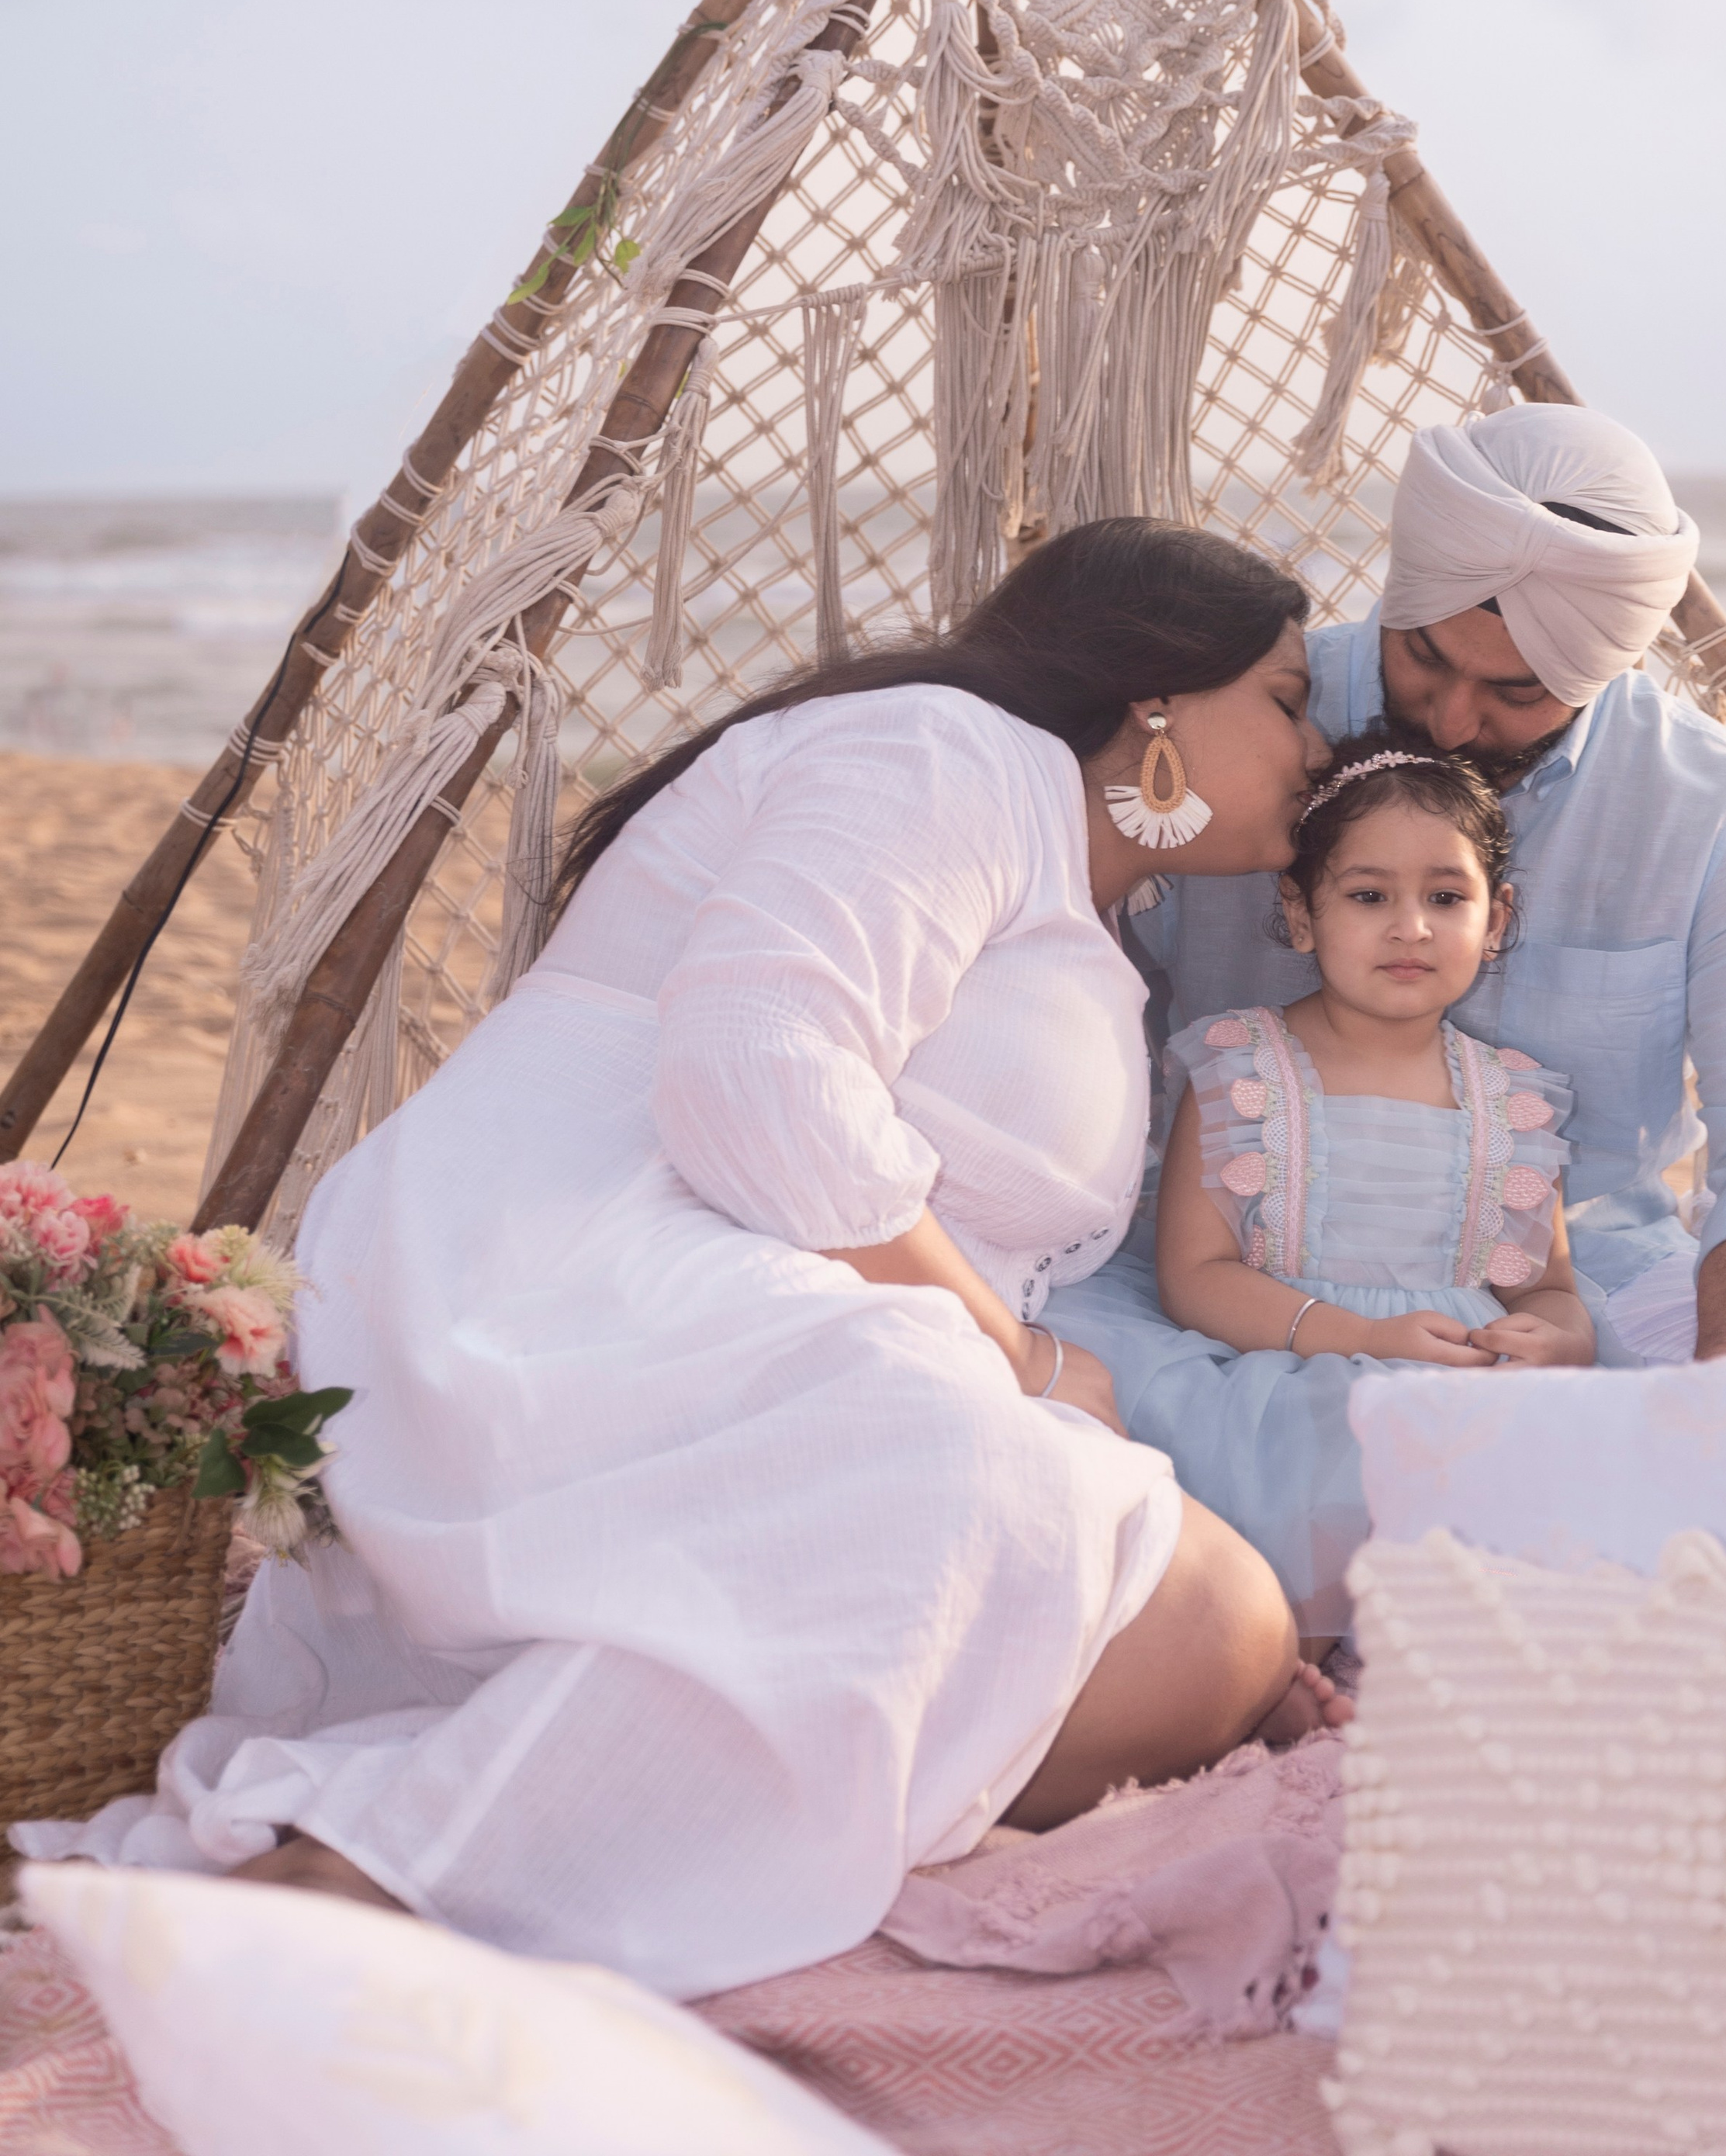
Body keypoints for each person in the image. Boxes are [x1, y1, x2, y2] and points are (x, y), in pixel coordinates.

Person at [16, 522, 1347, 1999]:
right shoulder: (944, 753)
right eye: (1288, 697)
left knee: (1205, 1626)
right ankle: (385, 1865)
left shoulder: (1084, 886)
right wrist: (1014, 1362)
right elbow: (754, 1070)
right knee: (1054, 1526)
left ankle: (485, 1807)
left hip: (719, 1283)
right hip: (553, 1262)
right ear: (1161, 700)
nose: (1317, 743)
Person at [1047, 404, 1726, 1632]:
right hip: (1220, 1285)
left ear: (1607, 668)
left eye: (1518, 692)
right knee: (1043, 1413)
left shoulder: (1719, 813)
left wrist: (1721, 1405)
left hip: (1573, 1295)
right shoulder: (1235, 730)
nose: (1448, 723)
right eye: (1422, 657)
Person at [1156, 734, 1593, 1385]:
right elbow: (1193, 1276)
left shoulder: (1513, 1101)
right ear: (1300, 911)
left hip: (1462, 1390)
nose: (1411, 927)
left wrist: (1562, 1338)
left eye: (1445, 898)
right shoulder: (1241, 1073)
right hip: (1283, 1378)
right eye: (1370, 895)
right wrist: (1360, 1338)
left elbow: (1545, 1287)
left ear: (1496, 921)